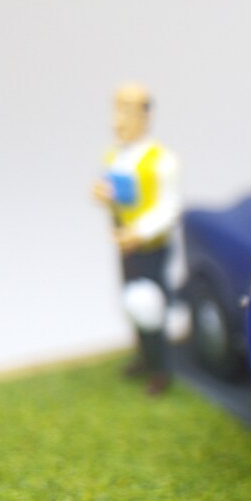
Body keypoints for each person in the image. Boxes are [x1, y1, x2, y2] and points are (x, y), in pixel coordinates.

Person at [92, 83, 181, 395]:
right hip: (125, 247)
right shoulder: (114, 156)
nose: (119, 119)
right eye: (117, 110)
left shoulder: (162, 160)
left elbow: (169, 207)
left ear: (146, 116)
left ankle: (162, 369)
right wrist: (103, 195)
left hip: (151, 248)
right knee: (132, 303)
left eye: (127, 111)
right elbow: (116, 197)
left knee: (152, 307)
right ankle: (144, 357)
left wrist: (140, 233)